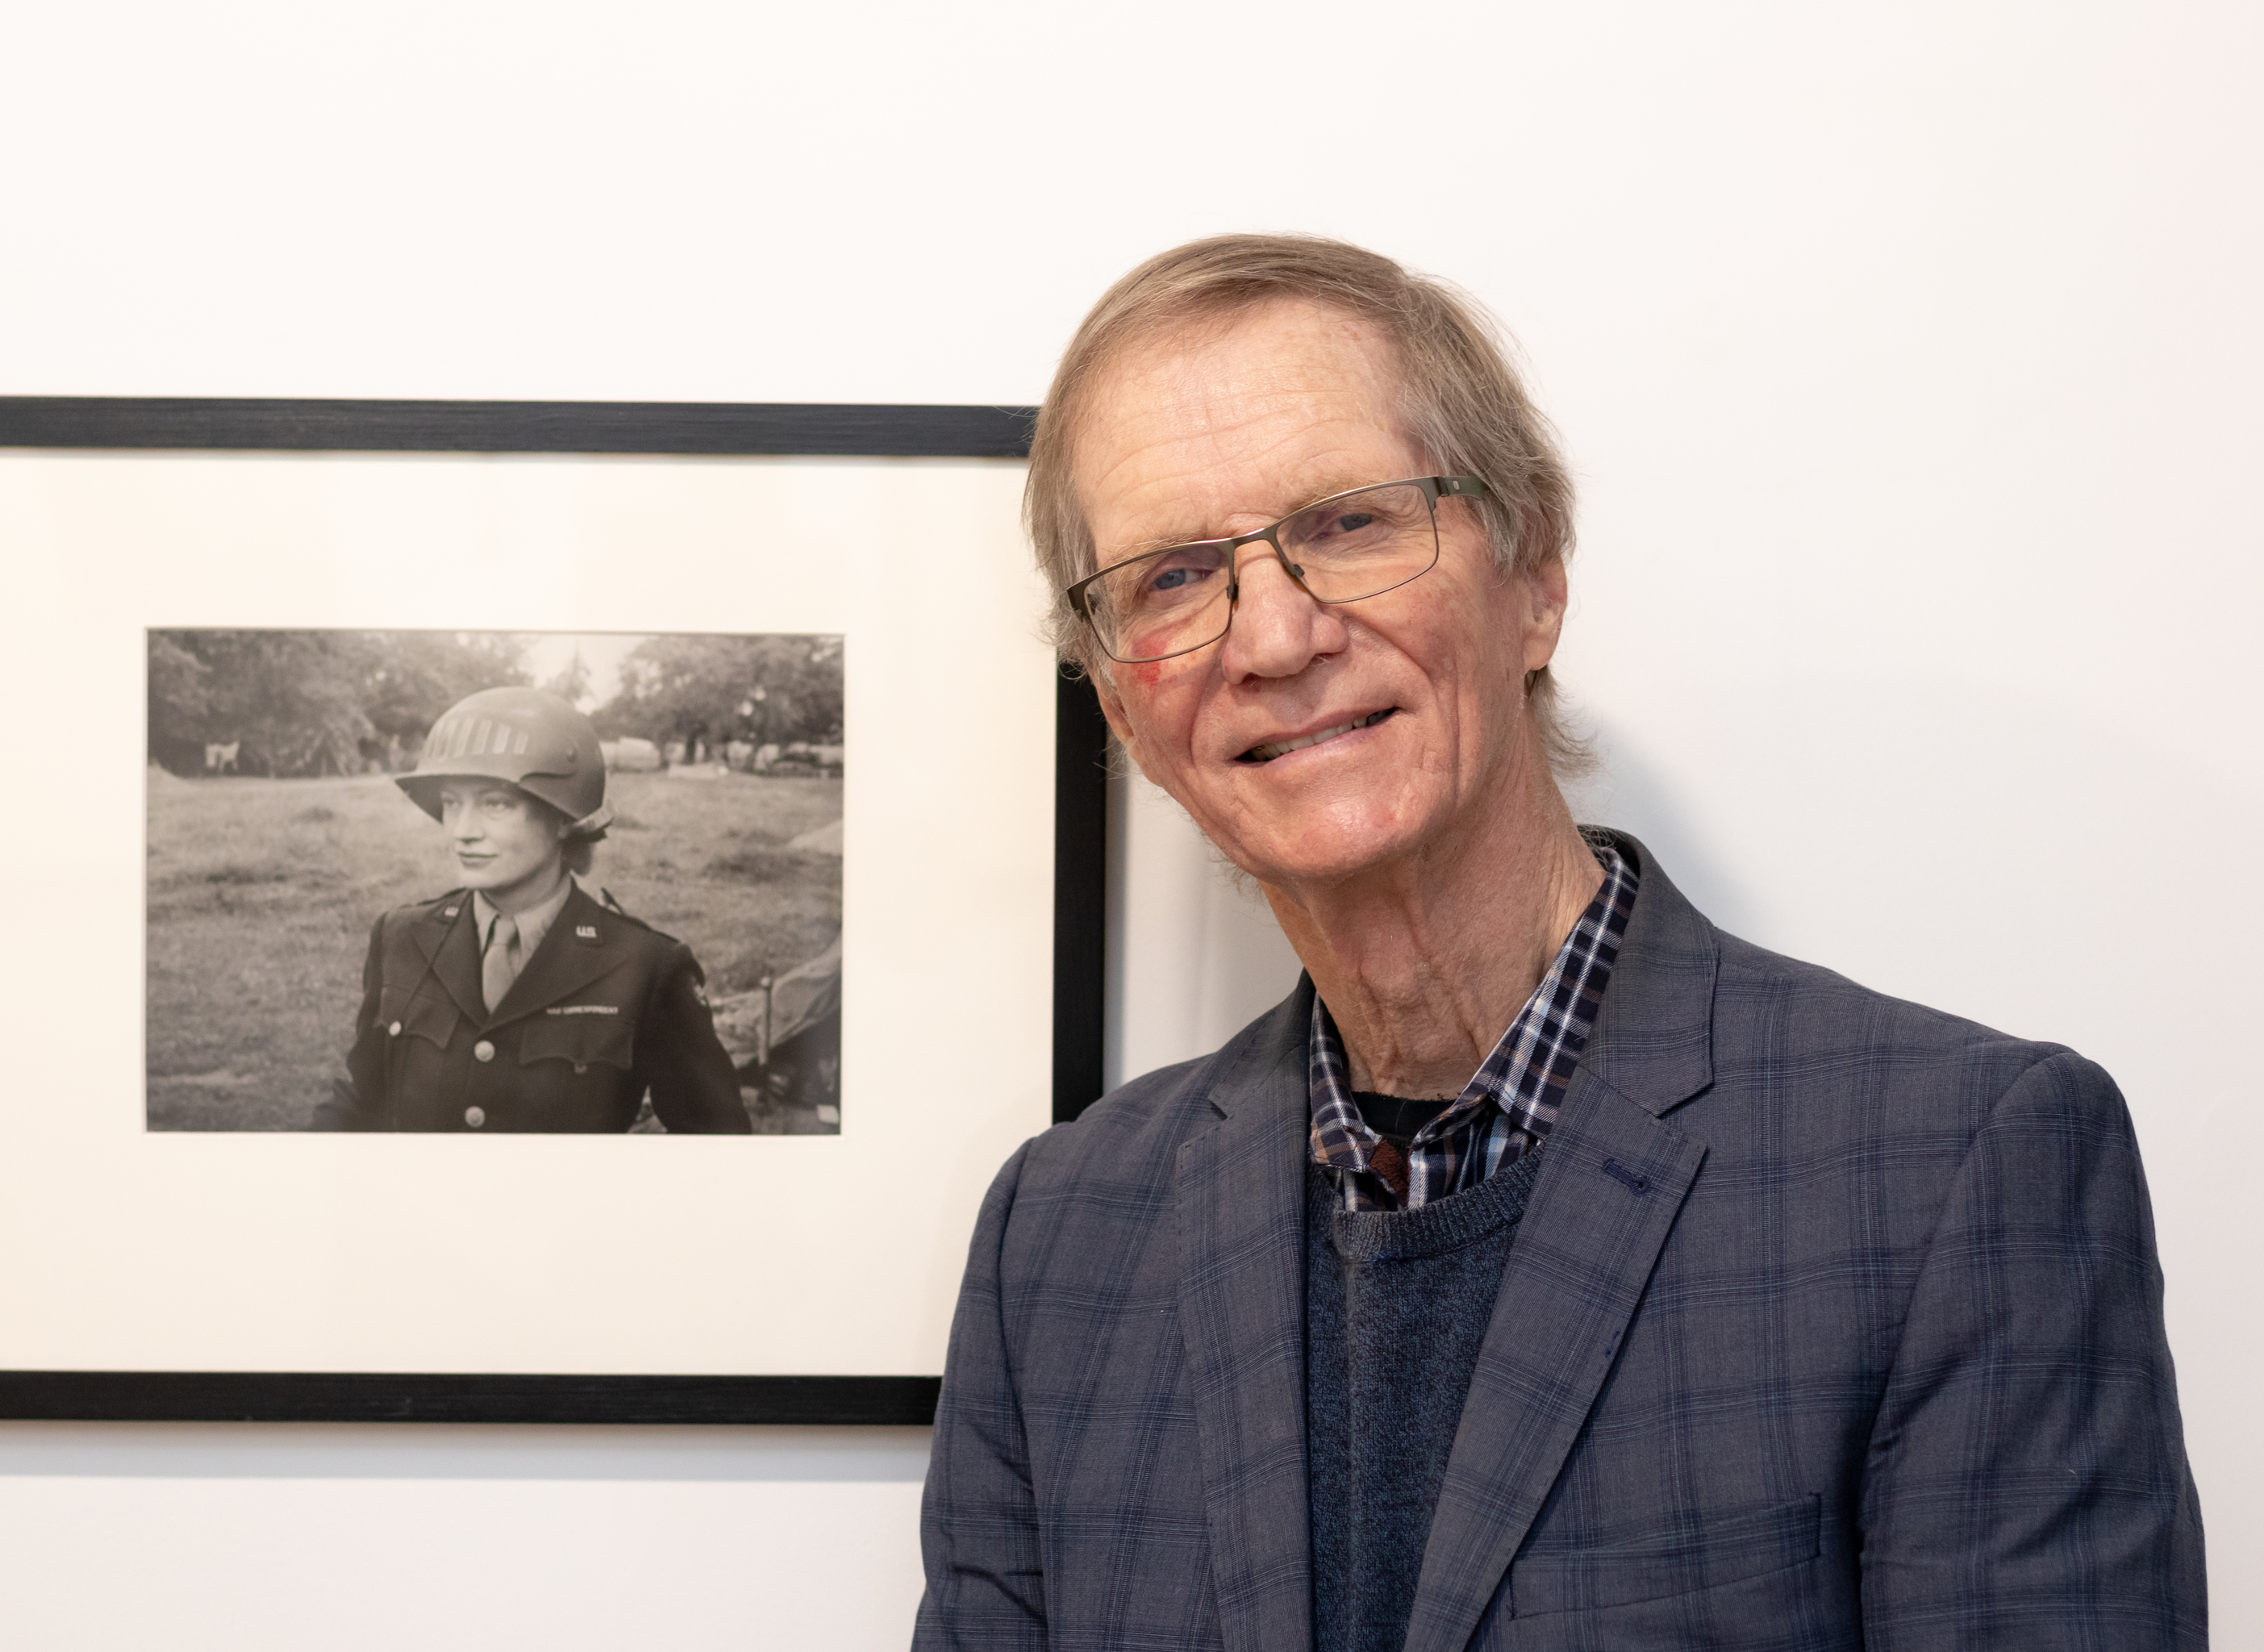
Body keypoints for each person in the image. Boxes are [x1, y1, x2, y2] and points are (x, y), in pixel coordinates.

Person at [914, 237, 2203, 1650]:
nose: (1272, 637)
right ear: (1120, 706)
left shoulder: (1953, 1167)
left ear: (1533, 577)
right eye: (1171, 576)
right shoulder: (1060, 1241)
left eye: (1348, 522)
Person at [312, 685, 750, 1134]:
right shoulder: (401, 936)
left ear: (563, 818)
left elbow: (718, 1147)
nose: (463, 831)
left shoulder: (645, 967)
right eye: (451, 804)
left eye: (495, 804)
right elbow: (362, 1100)